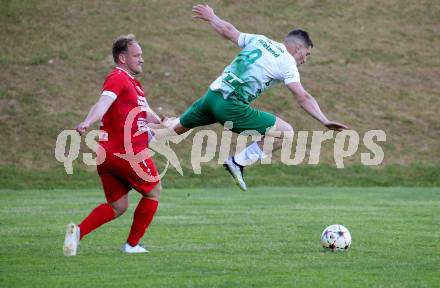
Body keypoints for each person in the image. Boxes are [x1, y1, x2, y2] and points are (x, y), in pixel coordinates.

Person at [153, 4, 348, 191]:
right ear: (298, 48)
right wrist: (324, 120)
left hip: (211, 97)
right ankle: (237, 162)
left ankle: (133, 136)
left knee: (170, 130)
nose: (305, 60)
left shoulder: (260, 40)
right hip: (230, 107)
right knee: (285, 133)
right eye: (306, 54)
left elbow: (229, 31)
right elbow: (302, 96)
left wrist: (212, 17)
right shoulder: (287, 62)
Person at [63, 34, 163, 256]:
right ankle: (132, 245)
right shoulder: (117, 78)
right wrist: (87, 121)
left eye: (142, 55)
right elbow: (103, 103)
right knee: (154, 191)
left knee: (118, 206)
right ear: (122, 58)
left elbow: (147, 114)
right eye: (137, 55)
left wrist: (167, 123)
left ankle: (78, 232)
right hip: (127, 152)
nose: (142, 59)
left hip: (107, 156)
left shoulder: (135, 85)